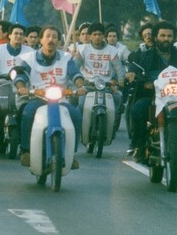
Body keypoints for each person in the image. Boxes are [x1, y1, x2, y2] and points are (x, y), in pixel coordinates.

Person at [13, 25, 85, 169]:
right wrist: (21, 87)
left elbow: (75, 73)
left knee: (75, 115)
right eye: (48, 36)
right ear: (41, 39)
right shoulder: (28, 58)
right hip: (37, 98)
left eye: (55, 37)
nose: (51, 40)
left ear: (59, 41)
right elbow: (19, 74)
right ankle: (26, 151)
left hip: (60, 99)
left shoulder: (66, 58)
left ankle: (72, 154)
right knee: (27, 113)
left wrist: (80, 86)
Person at [125, 20, 177, 163]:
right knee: (137, 109)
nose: (166, 39)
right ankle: (139, 145)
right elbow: (135, 66)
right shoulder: (145, 55)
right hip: (152, 96)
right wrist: (132, 74)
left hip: (175, 97)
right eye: (163, 35)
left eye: (169, 36)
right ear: (155, 37)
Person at [0, 23, 34, 144]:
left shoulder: (30, 52)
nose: (18, 36)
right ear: (9, 35)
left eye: (21, 34)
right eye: (15, 33)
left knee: (27, 106)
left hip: (23, 84)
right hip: (1, 81)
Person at [73, 22, 125, 136]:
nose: (97, 37)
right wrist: (77, 81)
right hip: (87, 85)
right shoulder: (82, 49)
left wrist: (120, 80)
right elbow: (75, 66)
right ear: (90, 36)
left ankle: (112, 125)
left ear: (104, 36)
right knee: (81, 105)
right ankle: (77, 130)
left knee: (117, 97)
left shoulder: (112, 50)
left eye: (100, 34)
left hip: (106, 85)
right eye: (94, 34)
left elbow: (119, 68)